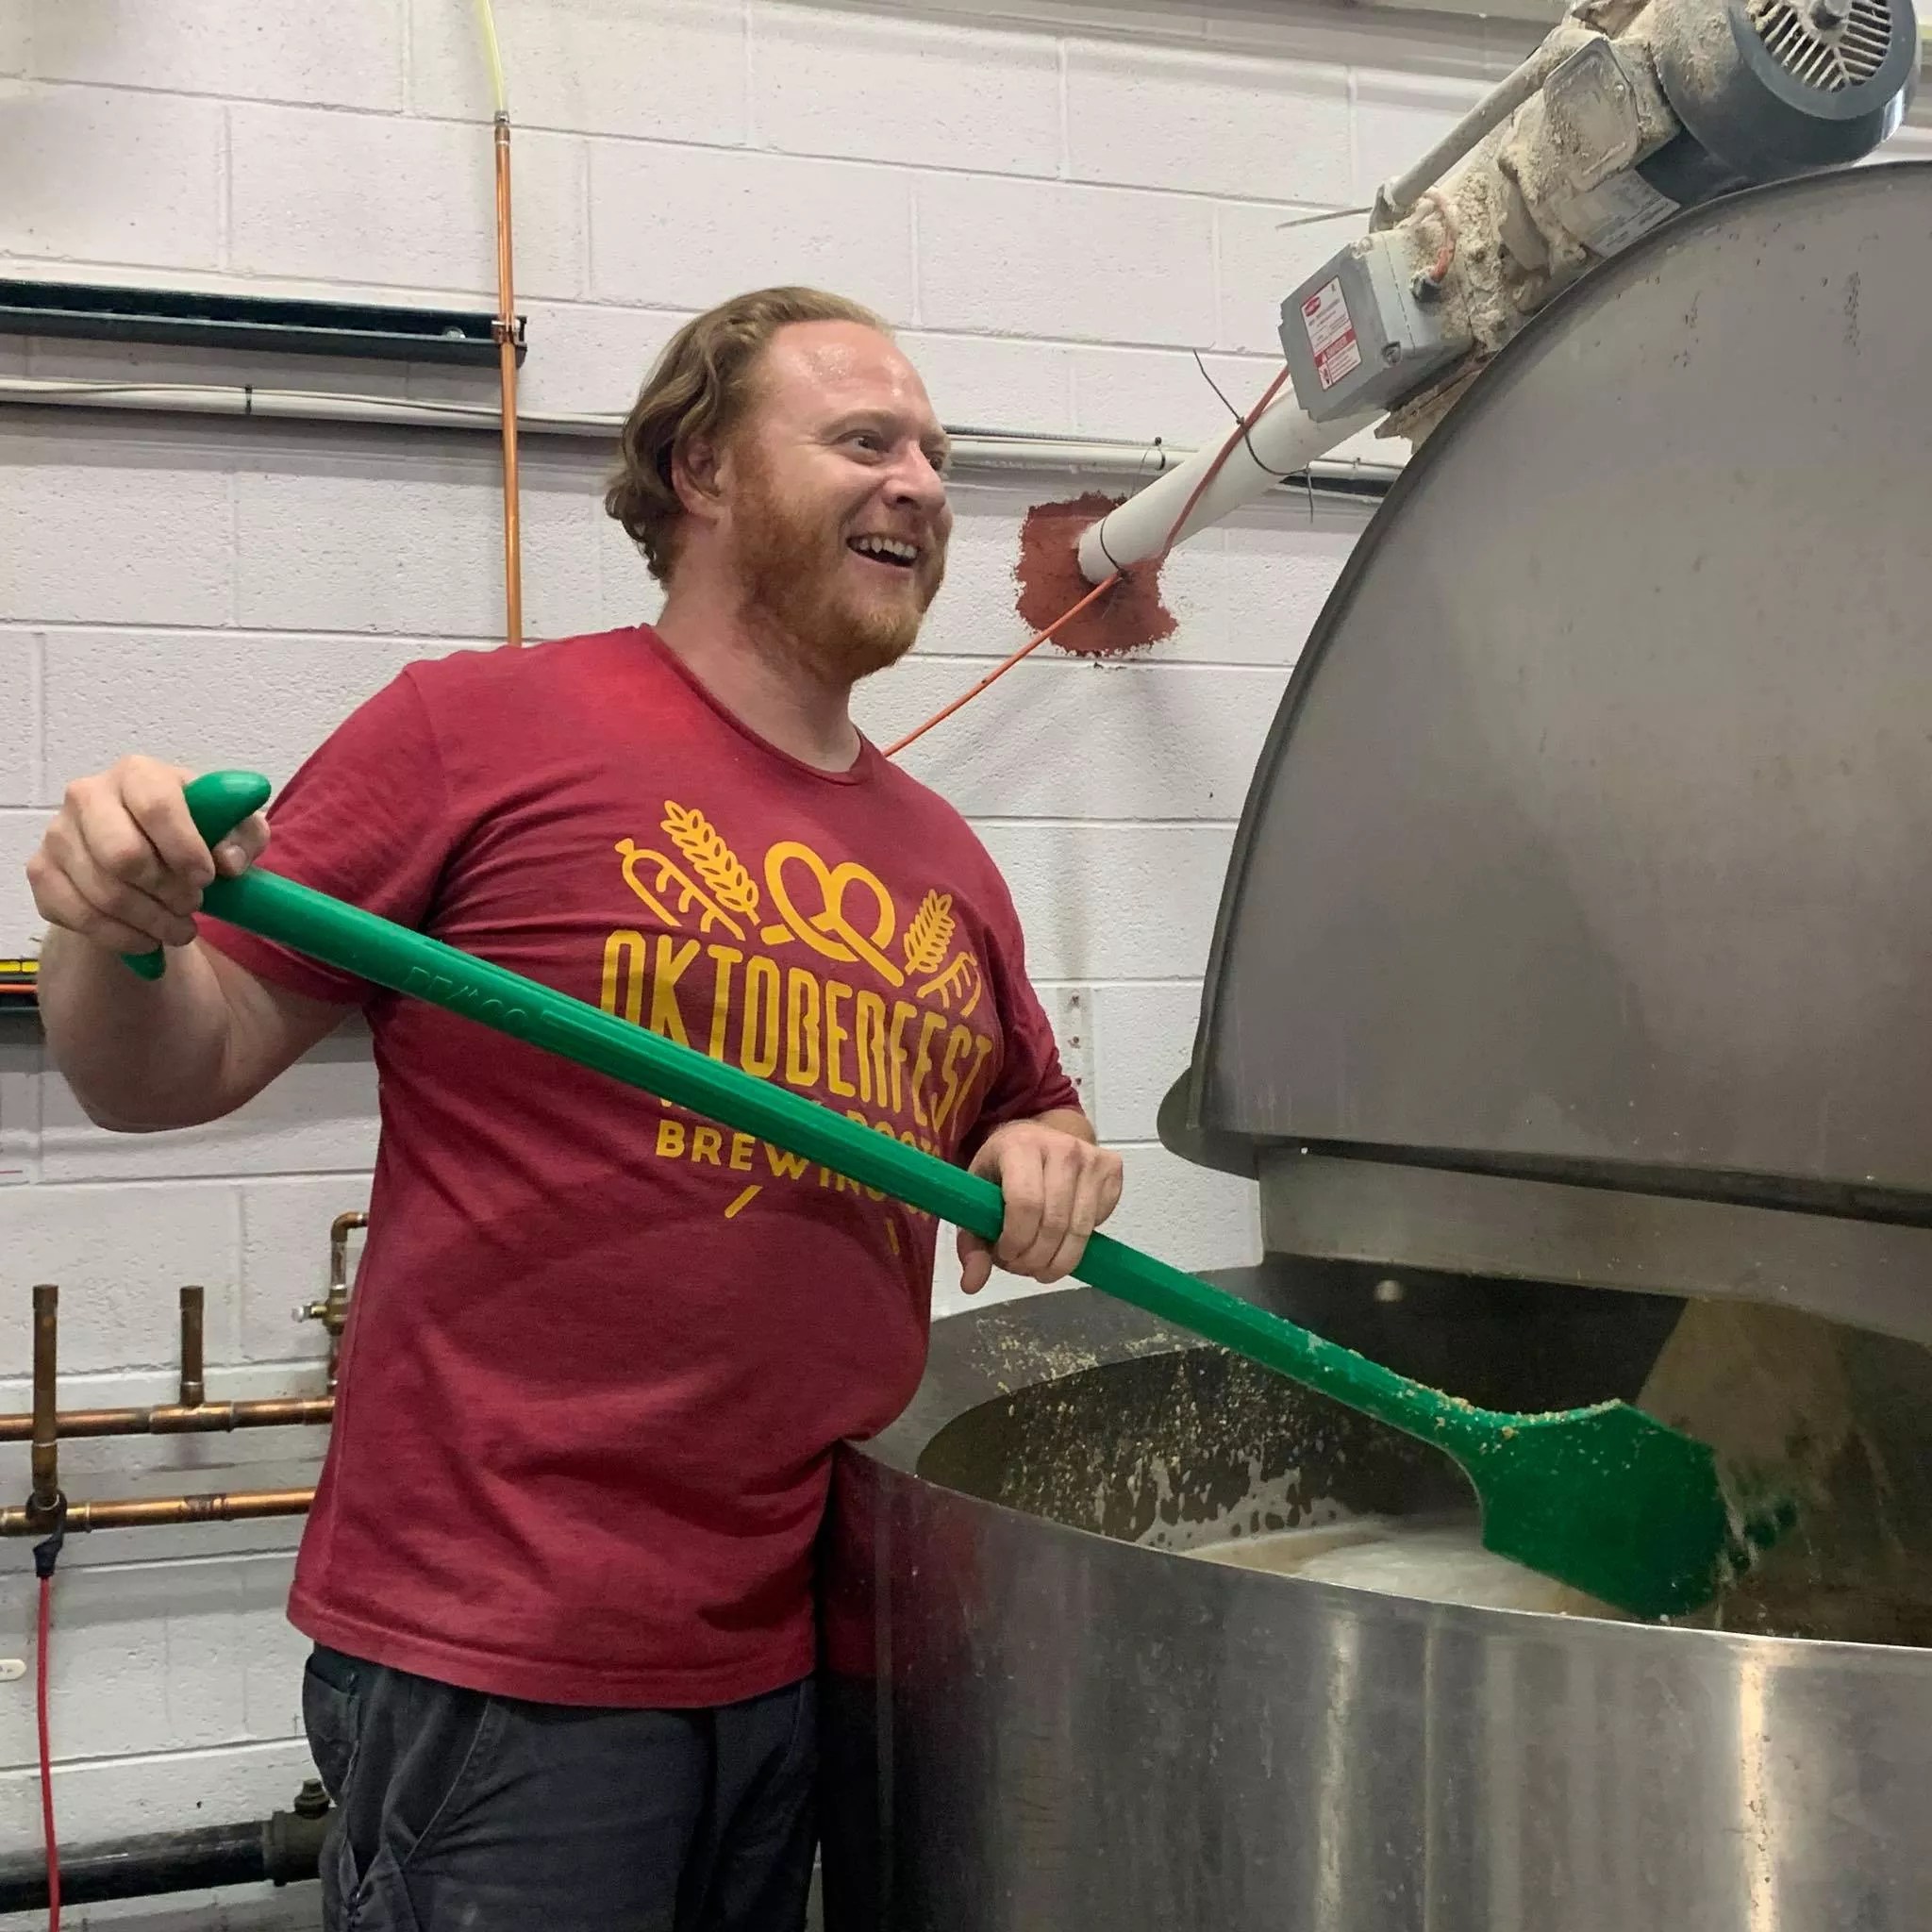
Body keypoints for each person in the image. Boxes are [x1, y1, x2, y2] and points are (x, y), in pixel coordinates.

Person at [25, 287, 1123, 1932]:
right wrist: (116, 926)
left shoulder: (945, 860)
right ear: (701, 468)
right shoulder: (478, 732)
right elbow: (173, 1063)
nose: (920, 483)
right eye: (863, 440)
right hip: (507, 1658)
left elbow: (1035, 1121)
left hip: (792, 1647)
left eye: (936, 455)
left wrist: (1050, 1155)